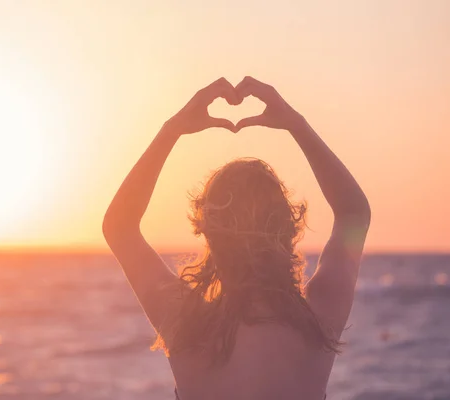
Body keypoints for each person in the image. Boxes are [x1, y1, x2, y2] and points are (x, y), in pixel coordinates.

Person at [102, 76, 371, 400]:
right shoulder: (317, 321)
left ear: (209, 233)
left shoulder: (186, 324)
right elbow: (353, 213)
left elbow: (120, 227)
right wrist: (295, 125)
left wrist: (172, 130)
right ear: (288, 229)